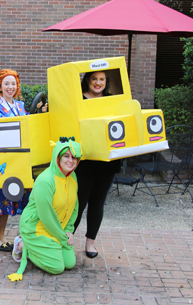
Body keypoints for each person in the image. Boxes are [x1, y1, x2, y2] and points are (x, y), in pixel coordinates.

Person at [7, 138, 82, 281]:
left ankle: (51, 247)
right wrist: (63, 239)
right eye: (66, 156)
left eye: (74, 157)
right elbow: (46, 217)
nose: (71, 160)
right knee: (57, 268)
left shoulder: (72, 176)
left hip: (57, 228)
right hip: (36, 227)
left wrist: (69, 231)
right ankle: (22, 245)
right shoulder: (45, 180)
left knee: (70, 263)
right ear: (57, 157)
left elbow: (74, 207)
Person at [74, 70, 121, 258]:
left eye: (102, 79)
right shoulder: (77, 99)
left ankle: (90, 243)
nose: (98, 83)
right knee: (78, 202)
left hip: (108, 161)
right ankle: (66, 240)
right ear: (87, 80)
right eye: (94, 79)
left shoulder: (113, 100)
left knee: (98, 202)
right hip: (85, 160)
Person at [0, 69, 29, 251]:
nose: (10, 87)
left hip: (16, 159)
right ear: (0, 87)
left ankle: (2, 235)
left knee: (8, 197)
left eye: (13, 83)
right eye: (6, 84)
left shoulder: (20, 106)